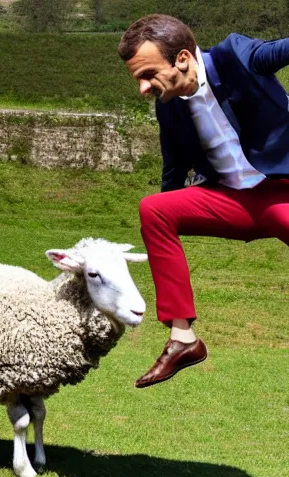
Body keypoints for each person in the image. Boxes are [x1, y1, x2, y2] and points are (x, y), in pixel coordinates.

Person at [117, 14, 289, 388]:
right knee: (155, 208)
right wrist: (159, 241)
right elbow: (173, 172)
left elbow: (278, 51)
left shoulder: (236, 56)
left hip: (280, 192)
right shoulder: (170, 104)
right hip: (229, 201)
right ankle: (183, 341)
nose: (144, 88)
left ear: (182, 59)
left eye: (148, 74)